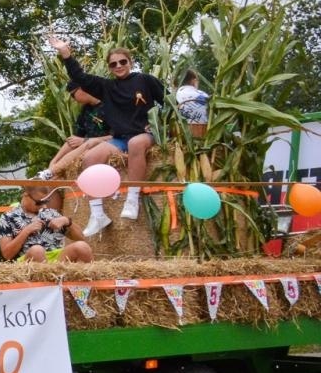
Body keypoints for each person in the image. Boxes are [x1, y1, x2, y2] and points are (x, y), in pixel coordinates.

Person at [47, 34, 165, 233]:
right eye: (113, 64)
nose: (118, 66)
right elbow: (80, 78)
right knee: (90, 159)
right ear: (109, 67)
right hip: (120, 139)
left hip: (144, 135)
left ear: (130, 62)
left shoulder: (145, 80)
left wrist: (158, 124)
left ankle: (132, 200)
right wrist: (66, 54)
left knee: (136, 143)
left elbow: (168, 102)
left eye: (122, 61)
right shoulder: (107, 87)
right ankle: (98, 215)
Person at [36, 83, 112, 212]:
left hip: (103, 145)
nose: (72, 98)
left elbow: (117, 136)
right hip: (84, 145)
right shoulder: (85, 110)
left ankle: (52, 171)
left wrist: (85, 140)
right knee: (50, 182)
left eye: (73, 94)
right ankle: (51, 171)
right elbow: (74, 139)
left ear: (83, 88)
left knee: (88, 145)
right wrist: (53, 162)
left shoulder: (110, 105)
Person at [0, 184, 93, 263]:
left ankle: (81, 286)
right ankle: (46, 284)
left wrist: (67, 221)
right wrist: (26, 231)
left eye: (45, 201)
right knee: (37, 251)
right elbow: (7, 254)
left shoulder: (51, 213)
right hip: (30, 261)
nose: (42, 206)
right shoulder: (8, 217)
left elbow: (81, 238)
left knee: (82, 247)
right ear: (25, 195)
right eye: (39, 202)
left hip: (58, 261)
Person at [176, 69, 210, 139]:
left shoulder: (175, 95)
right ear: (194, 81)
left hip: (181, 133)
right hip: (203, 132)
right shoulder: (203, 95)